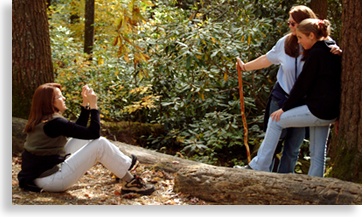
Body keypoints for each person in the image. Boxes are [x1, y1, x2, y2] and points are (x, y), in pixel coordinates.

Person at [235, 5, 341, 173]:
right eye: (289, 23)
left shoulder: (321, 48)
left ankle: (283, 177)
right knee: (279, 139)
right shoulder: (288, 43)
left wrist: (339, 51)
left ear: (308, 29)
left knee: (292, 147)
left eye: (293, 24)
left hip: (307, 103)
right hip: (287, 98)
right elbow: (267, 58)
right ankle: (260, 169)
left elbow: (313, 83)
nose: (290, 27)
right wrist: (245, 67)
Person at [18, 83, 155, 195]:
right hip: (51, 180)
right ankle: (131, 181)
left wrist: (85, 103)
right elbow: (94, 133)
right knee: (100, 144)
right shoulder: (55, 123)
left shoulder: (43, 119)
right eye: (60, 97)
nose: (64, 98)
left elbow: (79, 131)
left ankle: (122, 166)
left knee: (84, 139)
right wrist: (94, 105)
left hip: (39, 176)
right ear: (50, 103)